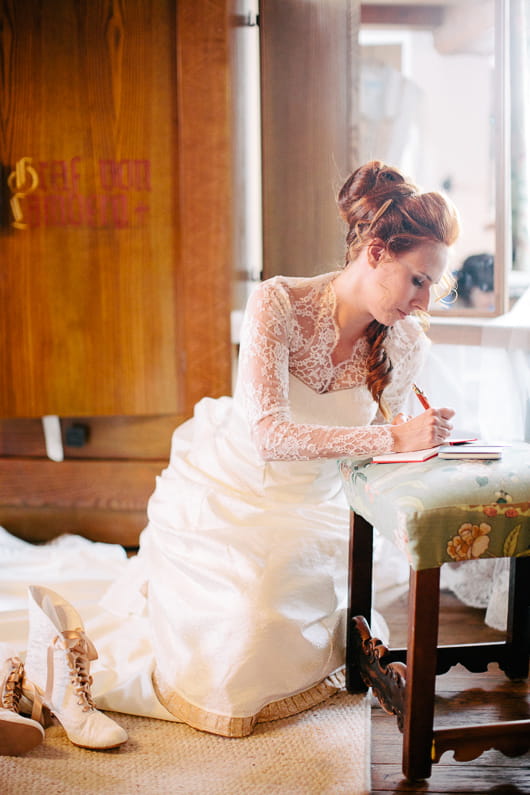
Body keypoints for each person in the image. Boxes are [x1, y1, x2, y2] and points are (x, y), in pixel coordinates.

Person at [0, 160, 459, 749]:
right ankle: (55, 673)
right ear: (374, 252)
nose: (423, 302)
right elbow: (271, 435)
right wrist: (395, 438)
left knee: (281, 625)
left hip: (318, 505)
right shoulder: (277, 303)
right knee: (245, 629)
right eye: (417, 279)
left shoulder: (405, 340)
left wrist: (424, 447)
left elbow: (376, 452)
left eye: (432, 286)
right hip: (238, 489)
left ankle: (57, 664)